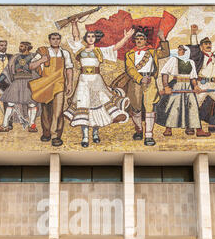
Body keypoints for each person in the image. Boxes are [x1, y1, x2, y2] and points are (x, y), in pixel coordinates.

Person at [64, 19, 132, 147]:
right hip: (83, 81)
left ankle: (95, 133)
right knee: (84, 105)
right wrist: (74, 24)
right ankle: (85, 136)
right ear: (86, 38)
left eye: (93, 36)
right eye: (88, 36)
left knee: (98, 106)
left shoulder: (100, 51)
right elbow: (75, 36)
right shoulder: (80, 49)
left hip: (96, 81)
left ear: (96, 39)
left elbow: (115, 47)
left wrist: (126, 37)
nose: (90, 38)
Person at [122, 26, 170, 145]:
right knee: (136, 107)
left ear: (145, 40)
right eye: (137, 38)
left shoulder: (152, 51)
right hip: (135, 82)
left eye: (141, 38)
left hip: (150, 81)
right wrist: (139, 78)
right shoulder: (129, 54)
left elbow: (165, 52)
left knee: (150, 108)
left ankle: (149, 135)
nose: (139, 40)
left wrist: (162, 38)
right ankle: (139, 130)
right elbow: (130, 69)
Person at [29, 32, 73, 147]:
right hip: (46, 85)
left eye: (58, 39)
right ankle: (46, 133)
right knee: (46, 111)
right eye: (53, 39)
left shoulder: (65, 53)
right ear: (49, 40)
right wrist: (41, 60)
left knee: (58, 111)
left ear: (60, 40)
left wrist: (69, 84)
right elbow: (31, 66)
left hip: (59, 85)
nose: (56, 41)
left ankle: (55, 135)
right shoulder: (43, 52)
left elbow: (69, 69)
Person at [156, 45, 210, 137]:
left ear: (186, 51)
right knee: (174, 107)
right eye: (178, 49)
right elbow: (165, 72)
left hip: (188, 86)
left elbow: (193, 77)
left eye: (180, 50)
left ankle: (198, 130)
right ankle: (168, 129)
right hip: (177, 85)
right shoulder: (174, 60)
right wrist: (166, 86)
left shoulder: (191, 62)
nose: (178, 51)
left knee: (192, 107)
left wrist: (196, 86)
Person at [0, 41, 39, 133]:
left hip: (30, 83)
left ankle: (32, 125)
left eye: (22, 46)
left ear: (27, 47)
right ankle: (5, 125)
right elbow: (6, 70)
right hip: (17, 82)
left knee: (32, 104)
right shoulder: (15, 57)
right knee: (10, 104)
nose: (20, 47)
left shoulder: (34, 56)